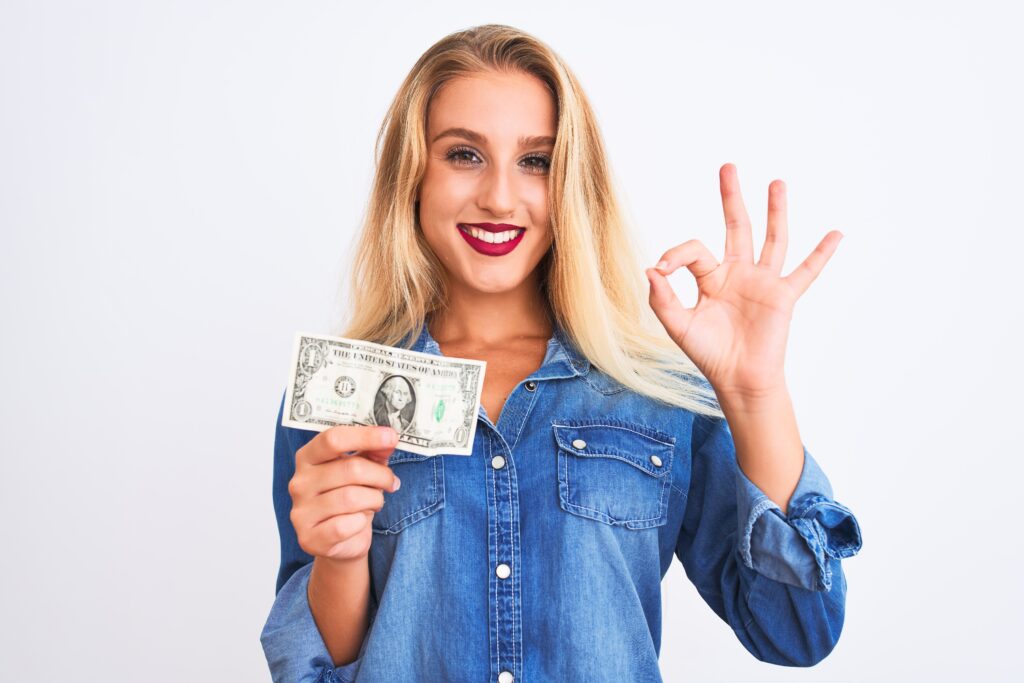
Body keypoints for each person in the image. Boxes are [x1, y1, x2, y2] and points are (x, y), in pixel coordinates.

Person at [260, 23, 863, 682]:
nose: (498, 195)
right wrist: (341, 557)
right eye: (464, 154)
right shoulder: (333, 397)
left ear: (572, 181)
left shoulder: (654, 394)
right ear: (413, 175)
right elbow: (311, 672)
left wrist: (756, 395)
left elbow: (798, 627)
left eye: (536, 160)